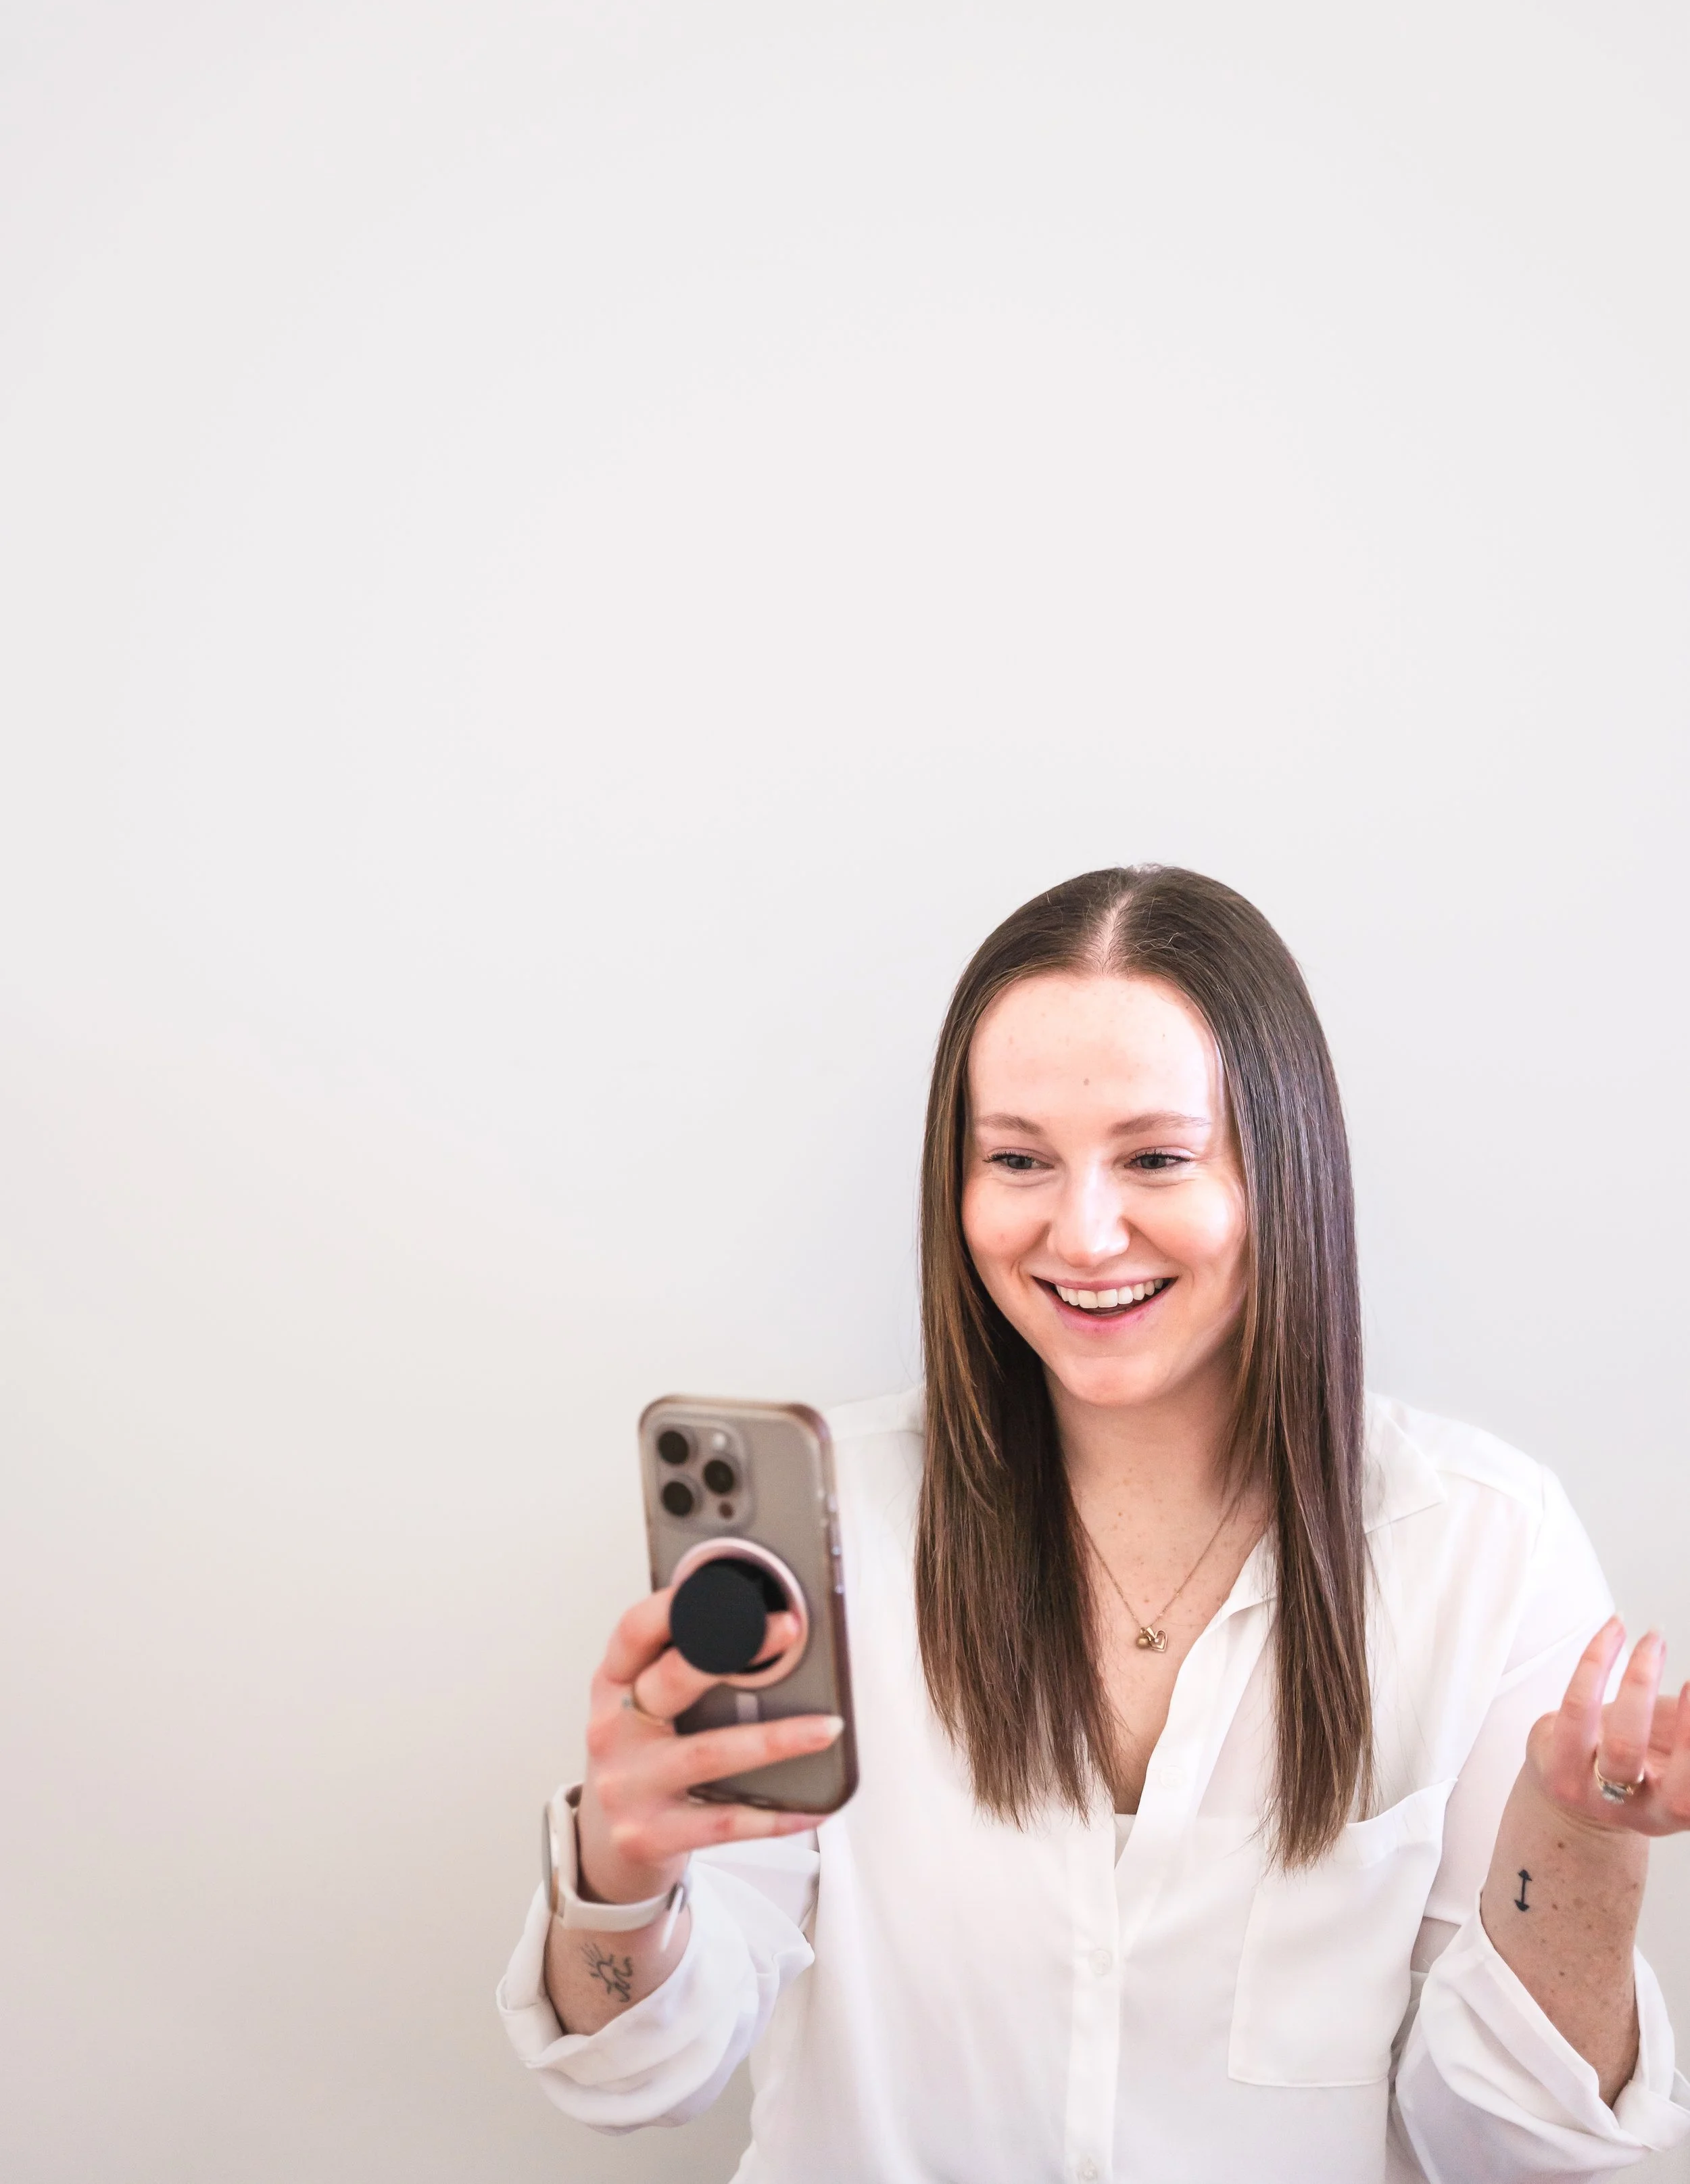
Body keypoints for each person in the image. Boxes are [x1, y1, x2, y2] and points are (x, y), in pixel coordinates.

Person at [497, 865, 1690, 2181]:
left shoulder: (1477, 1548)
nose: (1081, 1230)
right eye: (1016, 1159)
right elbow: (638, 2073)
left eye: (1154, 1157)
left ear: (1276, 1172)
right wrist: (620, 1874)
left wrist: (1575, 1846)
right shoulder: (824, 1535)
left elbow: (1521, 2155)